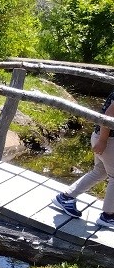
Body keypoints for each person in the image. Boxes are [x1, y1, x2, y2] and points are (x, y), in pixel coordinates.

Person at [50, 86, 114, 230]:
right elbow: (109, 116)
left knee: (100, 171)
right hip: (108, 140)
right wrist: (103, 140)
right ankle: (108, 216)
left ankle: (65, 198)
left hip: (101, 137)